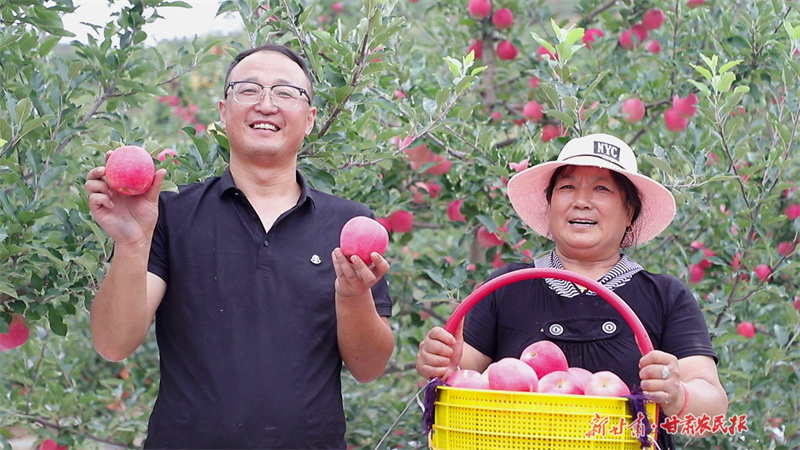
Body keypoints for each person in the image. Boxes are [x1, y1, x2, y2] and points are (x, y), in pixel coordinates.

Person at [84, 44, 395, 449]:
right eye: (248, 90)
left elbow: (369, 367)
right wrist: (130, 242)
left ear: (310, 119)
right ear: (223, 111)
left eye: (285, 93)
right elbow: (113, 344)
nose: (266, 104)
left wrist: (353, 297)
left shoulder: (348, 225)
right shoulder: (170, 215)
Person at [416, 133, 727, 449]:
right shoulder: (507, 287)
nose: (581, 200)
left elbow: (713, 413)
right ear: (550, 205)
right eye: (567, 187)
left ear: (630, 212)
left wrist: (678, 395)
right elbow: (460, 381)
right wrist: (443, 365)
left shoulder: (665, 296)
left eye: (601, 188)